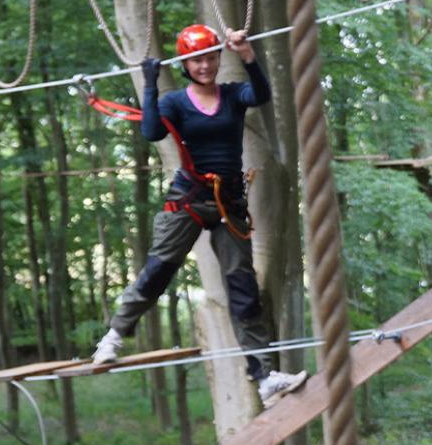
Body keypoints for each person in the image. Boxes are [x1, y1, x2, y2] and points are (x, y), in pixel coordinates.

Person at [91, 24, 307, 408]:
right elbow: (152, 132)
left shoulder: (232, 94)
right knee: (158, 271)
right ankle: (113, 337)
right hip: (189, 198)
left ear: (218, 59)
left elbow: (261, 93)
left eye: (210, 57)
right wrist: (150, 82)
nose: (205, 65)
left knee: (243, 289)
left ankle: (264, 376)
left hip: (229, 203)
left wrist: (248, 56)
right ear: (186, 64)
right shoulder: (175, 101)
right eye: (196, 60)